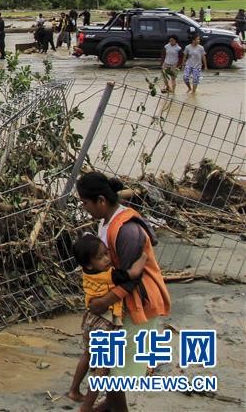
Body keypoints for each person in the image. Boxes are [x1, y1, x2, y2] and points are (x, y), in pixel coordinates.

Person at [75, 172, 171, 412]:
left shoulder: (126, 230)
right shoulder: (106, 222)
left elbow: (130, 279)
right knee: (113, 369)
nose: (84, 208)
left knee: (113, 369)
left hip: (139, 301)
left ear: (101, 200)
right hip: (123, 302)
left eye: (85, 203)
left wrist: (101, 302)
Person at [67, 233, 148, 409]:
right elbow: (134, 273)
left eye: (106, 253)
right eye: (100, 257)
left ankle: (74, 390)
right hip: (105, 323)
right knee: (103, 368)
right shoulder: (109, 275)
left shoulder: (87, 272)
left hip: (90, 320)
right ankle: (87, 406)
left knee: (88, 354)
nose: (106, 259)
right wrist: (144, 255)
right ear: (89, 263)